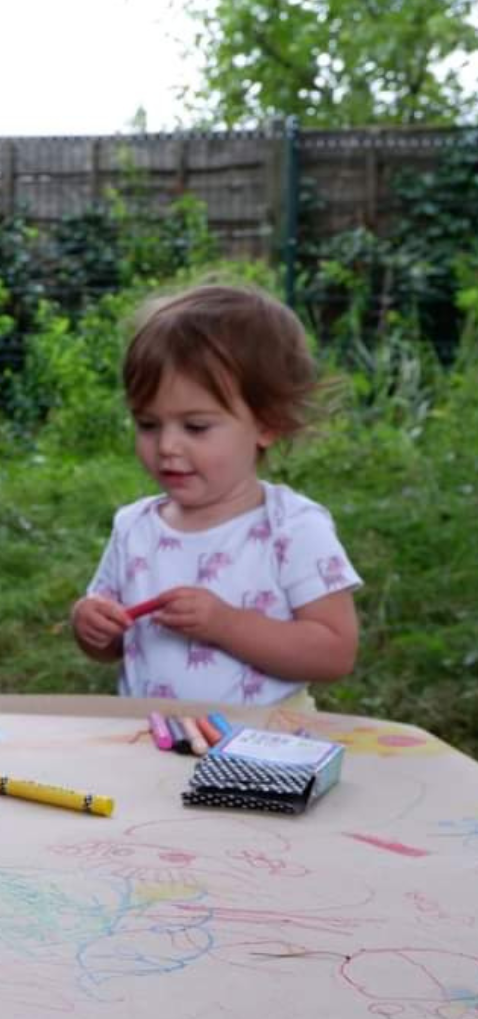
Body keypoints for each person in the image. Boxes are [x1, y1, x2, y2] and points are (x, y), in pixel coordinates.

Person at [70, 283, 360, 707]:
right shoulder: (134, 527)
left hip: (263, 748)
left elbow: (335, 652)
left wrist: (226, 625)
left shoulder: (292, 528)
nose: (167, 446)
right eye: (148, 424)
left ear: (266, 424)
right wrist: (93, 628)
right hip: (151, 739)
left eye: (196, 427)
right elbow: (113, 646)